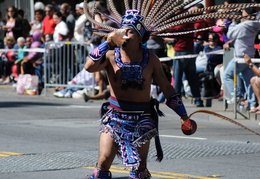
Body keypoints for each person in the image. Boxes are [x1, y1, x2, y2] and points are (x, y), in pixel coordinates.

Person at [84, 9, 190, 179]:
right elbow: (89, 67)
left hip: (142, 119)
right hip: (115, 118)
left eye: (129, 31)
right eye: (122, 29)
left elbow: (167, 88)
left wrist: (183, 115)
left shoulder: (151, 59)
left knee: (139, 170)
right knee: (102, 165)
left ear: (140, 37)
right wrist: (108, 44)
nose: (124, 34)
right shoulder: (111, 55)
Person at [223, 7, 260, 111]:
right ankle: (252, 104)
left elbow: (230, 35)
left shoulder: (243, 25)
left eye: (242, 13)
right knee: (249, 82)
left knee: (226, 75)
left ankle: (237, 96)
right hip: (250, 55)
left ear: (247, 15)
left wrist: (234, 23)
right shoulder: (256, 24)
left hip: (240, 56)